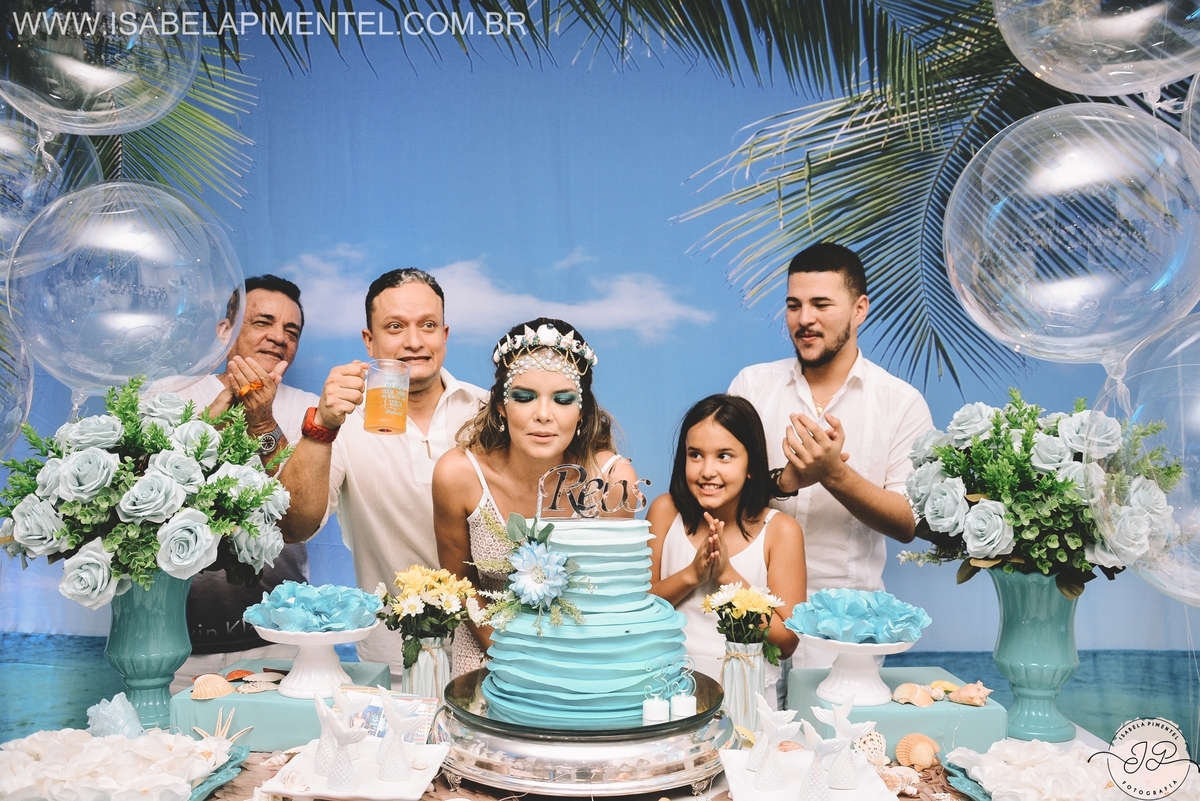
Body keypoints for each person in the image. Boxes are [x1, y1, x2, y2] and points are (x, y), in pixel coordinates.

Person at [728, 242, 933, 668]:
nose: (805, 319)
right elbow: (720, 494)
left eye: (821, 304)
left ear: (860, 309)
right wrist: (786, 481)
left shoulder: (901, 403)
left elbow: (909, 522)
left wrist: (833, 474)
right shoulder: (751, 386)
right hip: (749, 613)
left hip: (846, 633)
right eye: (794, 305)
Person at [277, 269, 485, 683]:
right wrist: (322, 426)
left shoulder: (489, 413)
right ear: (369, 341)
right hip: (392, 663)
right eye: (395, 327)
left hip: (489, 656)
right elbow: (292, 527)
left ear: (444, 335)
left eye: (428, 325)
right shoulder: (343, 420)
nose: (414, 341)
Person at [433, 318, 637, 678]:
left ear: (582, 411)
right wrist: (508, 655)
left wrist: (562, 672)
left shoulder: (611, 480)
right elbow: (460, 582)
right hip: (488, 654)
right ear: (501, 405)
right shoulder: (458, 475)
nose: (543, 415)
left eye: (563, 399)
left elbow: (612, 597)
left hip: (581, 662)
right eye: (525, 397)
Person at [169, 274, 319, 692]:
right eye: (262, 322)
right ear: (225, 331)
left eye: (291, 331)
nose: (279, 337)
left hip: (278, 640)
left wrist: (263, 421)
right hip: (174, 644)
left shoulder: (310, 410)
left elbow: (298, 519)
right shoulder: (172, 396)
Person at [648, 394, 806, 708]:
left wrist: (727, 576)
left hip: (746, 699)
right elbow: (639, 610)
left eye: (724, 456)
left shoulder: (780, 531)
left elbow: (788, 641)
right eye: (695, 455)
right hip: (667, 692)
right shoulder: (665, 512)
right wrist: (692, 575)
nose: (707, 470)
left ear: (751, 466)